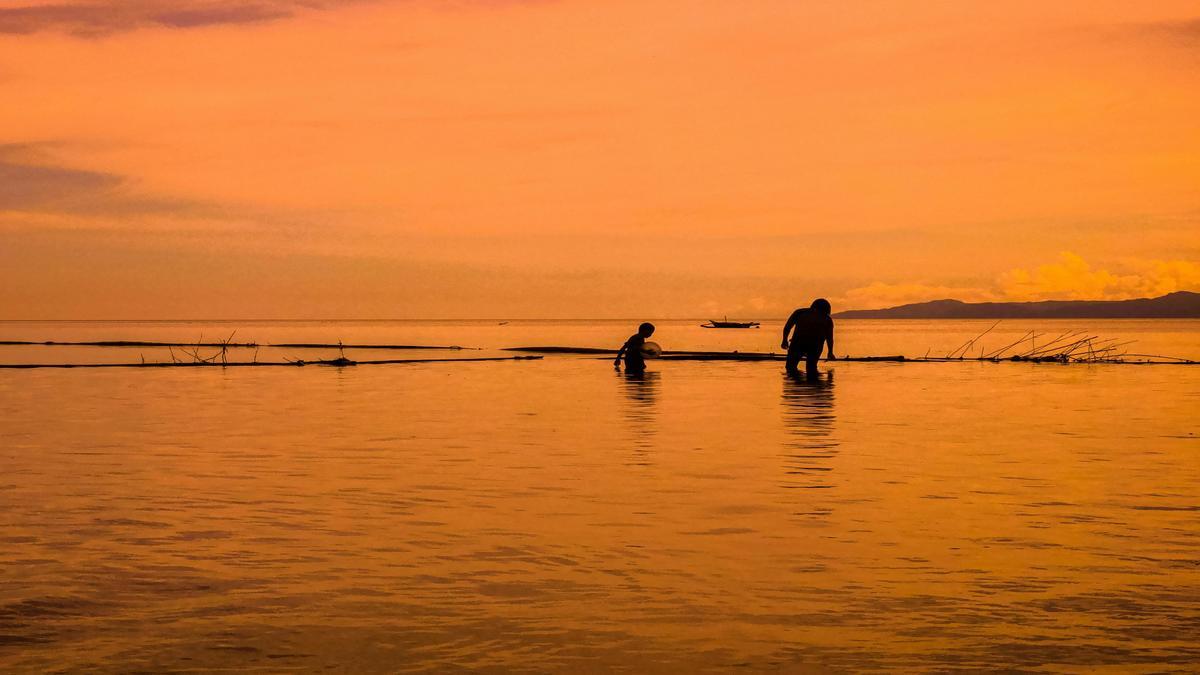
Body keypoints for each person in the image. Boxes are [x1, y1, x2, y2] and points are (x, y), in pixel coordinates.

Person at [781, 298, 835, 378]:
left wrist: (784, 340)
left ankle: (796, 381)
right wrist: (830, 352)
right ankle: (811, 384)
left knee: (790, 367)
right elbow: (829, 338)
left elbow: (787, 327)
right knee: (811, 368)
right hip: (813, 346)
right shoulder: (827, 319)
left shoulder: (799, 312)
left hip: (799, 344)